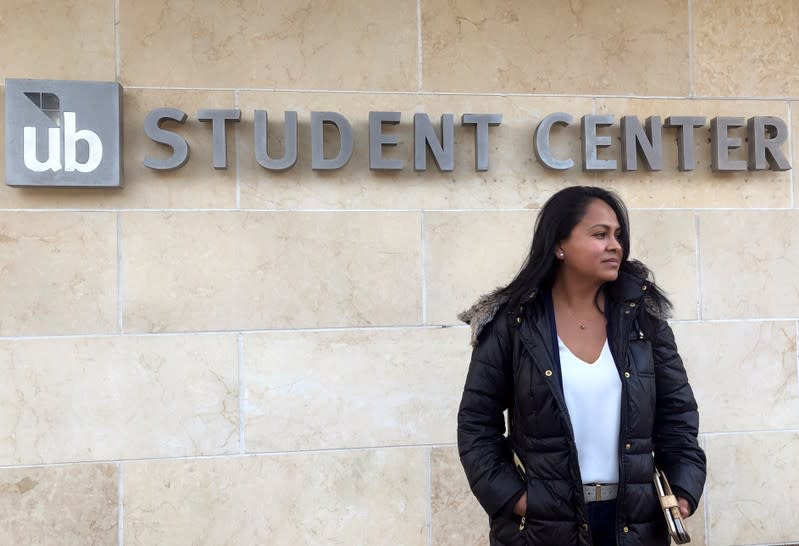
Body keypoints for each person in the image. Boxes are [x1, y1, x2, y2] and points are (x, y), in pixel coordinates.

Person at [457, 186, 706, 546]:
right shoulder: (514, 323)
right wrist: (516, 499)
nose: (615, 245)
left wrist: (682, 487)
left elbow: (678, 415)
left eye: (618, 235)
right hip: (544, 527)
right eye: (600, 234)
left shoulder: (644, 320)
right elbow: (476, 424)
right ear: (560, 245)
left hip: (634, 524)